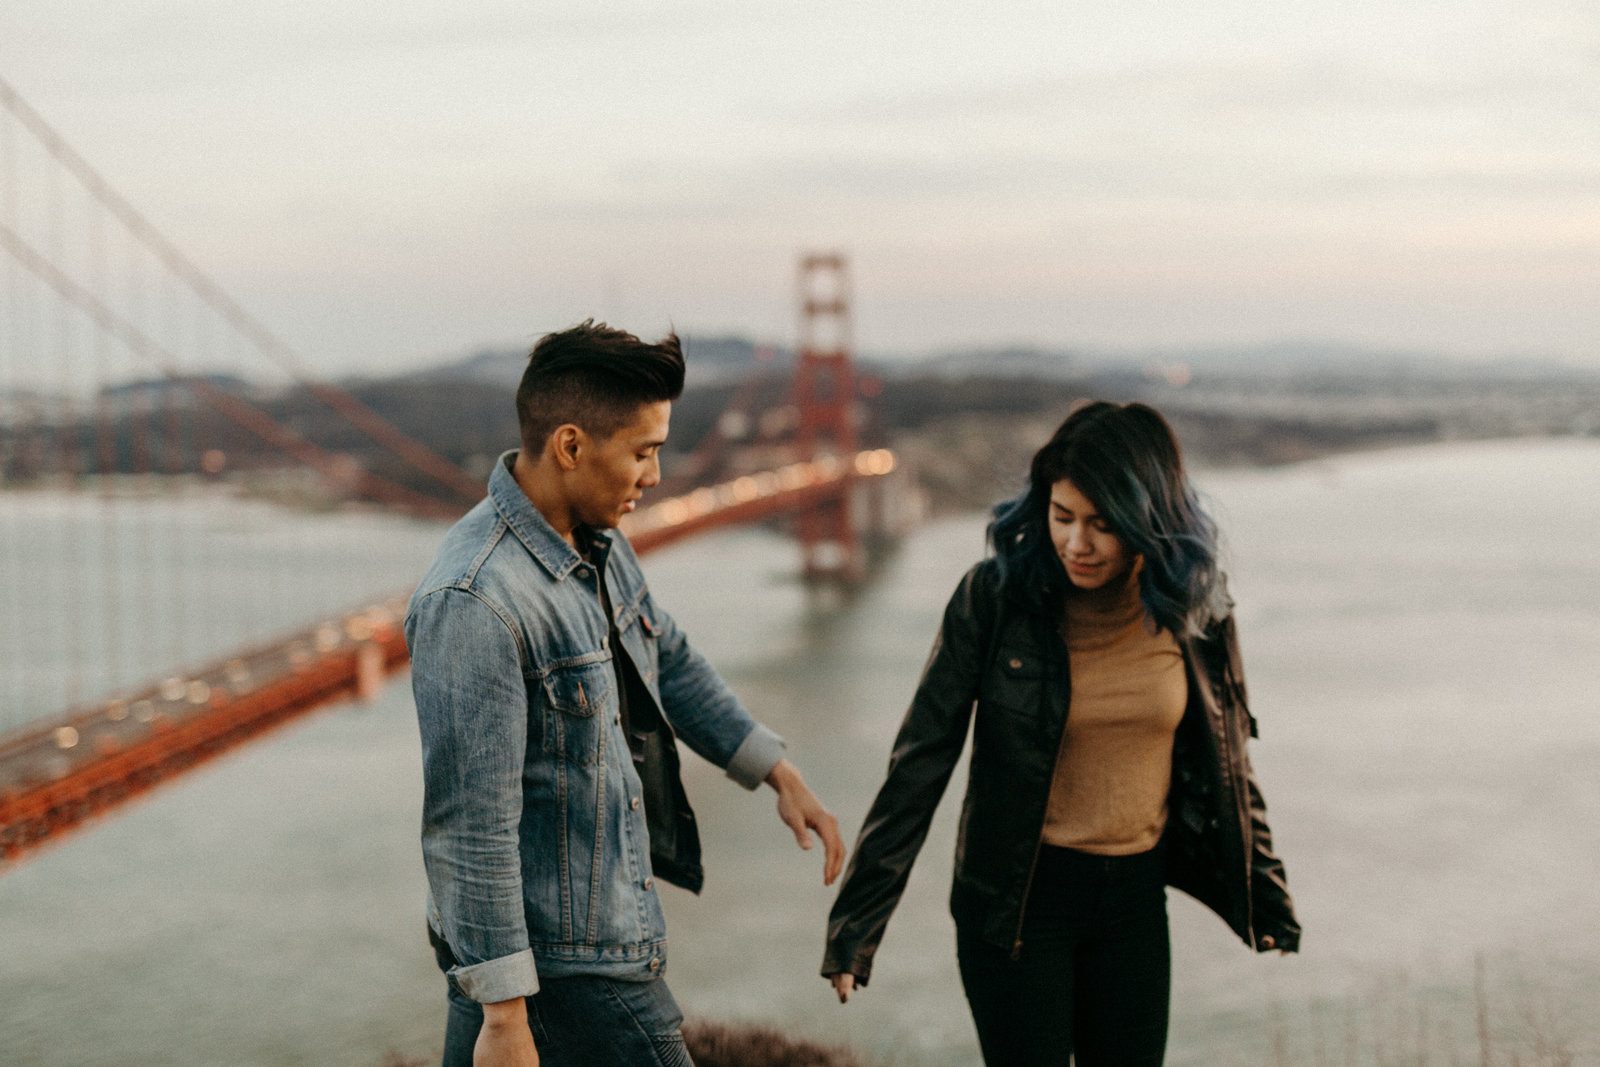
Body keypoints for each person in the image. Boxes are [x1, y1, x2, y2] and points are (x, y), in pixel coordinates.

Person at [407, 321, 846, 1067]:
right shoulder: (475, 600)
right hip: (567, 971)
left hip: (592, 942)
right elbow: (469, 824)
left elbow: (665, 654)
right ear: (571, 446)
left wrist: (776, 770)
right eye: (643, 452)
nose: (656, 475)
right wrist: (506, 1014)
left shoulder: (596, 541)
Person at [820, 401, 1300, 1066]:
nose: (1076, 543)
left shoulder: (1196, 611)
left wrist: (1265, 890)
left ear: (1148, 519)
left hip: (1134, 901)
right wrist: (857, 927)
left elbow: (1230, 758)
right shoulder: (994, 599)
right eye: (1062, 515)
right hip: (1019, 905)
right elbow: (921, 760)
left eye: (1102, 524)